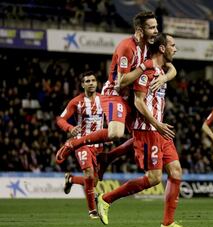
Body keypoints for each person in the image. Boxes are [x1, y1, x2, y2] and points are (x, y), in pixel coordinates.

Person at [56, 11, 177, 178]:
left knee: (142, 133)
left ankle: (107, 158)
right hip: (114, 94)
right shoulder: (127, 46)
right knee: (116, 133)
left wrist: (163, 77)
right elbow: (121, 82)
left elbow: (172, 68)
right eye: (151, 28)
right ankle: (73, 143)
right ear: (140, 30)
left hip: (130, 98)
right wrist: (144, 67)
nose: (156, 31)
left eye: (156, 27)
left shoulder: (148, 47)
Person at [96, 33, 192, 227]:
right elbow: (138, 101)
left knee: (176, 172)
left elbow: (173, 69)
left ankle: (167, 222)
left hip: (159, 129)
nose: (176, 48)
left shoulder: (161, 69)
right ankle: (106, 199)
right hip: (147, 129)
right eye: (173, 45)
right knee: (154, 178)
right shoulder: (146, 70)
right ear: (163, 49)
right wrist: (156, 123)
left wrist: (165, 76)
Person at [56, 71, 103, 219]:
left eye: (93, 80)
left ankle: (70, 179)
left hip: (98, 145)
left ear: (96, 83)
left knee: (93, 182)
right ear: (82, 84)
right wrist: (70, 128)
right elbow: (60, 119)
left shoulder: (105, 99)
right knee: (88, 173)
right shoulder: (76, 102)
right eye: (87, 81)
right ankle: (92, 211)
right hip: (81, 142)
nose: (91, 83)